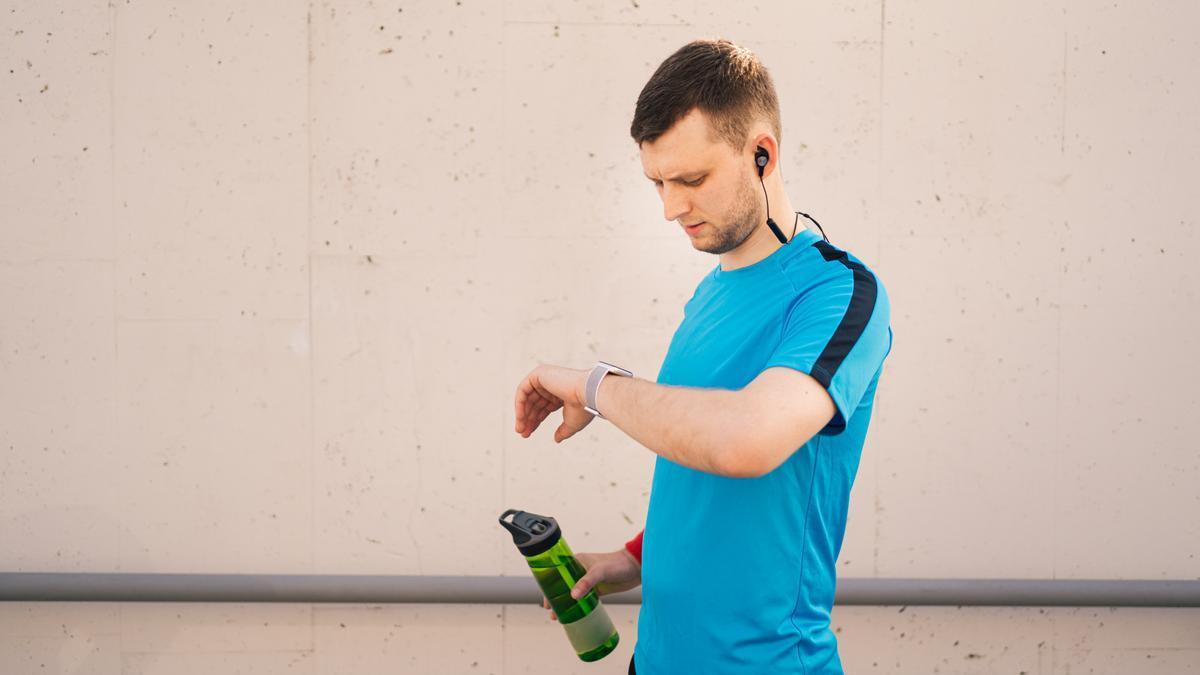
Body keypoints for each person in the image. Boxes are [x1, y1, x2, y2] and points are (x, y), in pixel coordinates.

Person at [513, 38, 894, 674]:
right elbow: (699, 469)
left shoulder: (839, 293)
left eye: (691, 180)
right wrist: (634, 557)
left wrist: (593, 385)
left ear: (762, 154)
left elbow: (744, 443)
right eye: (657, 182)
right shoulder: (707, 298)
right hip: (656, 660)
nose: (670, 208)